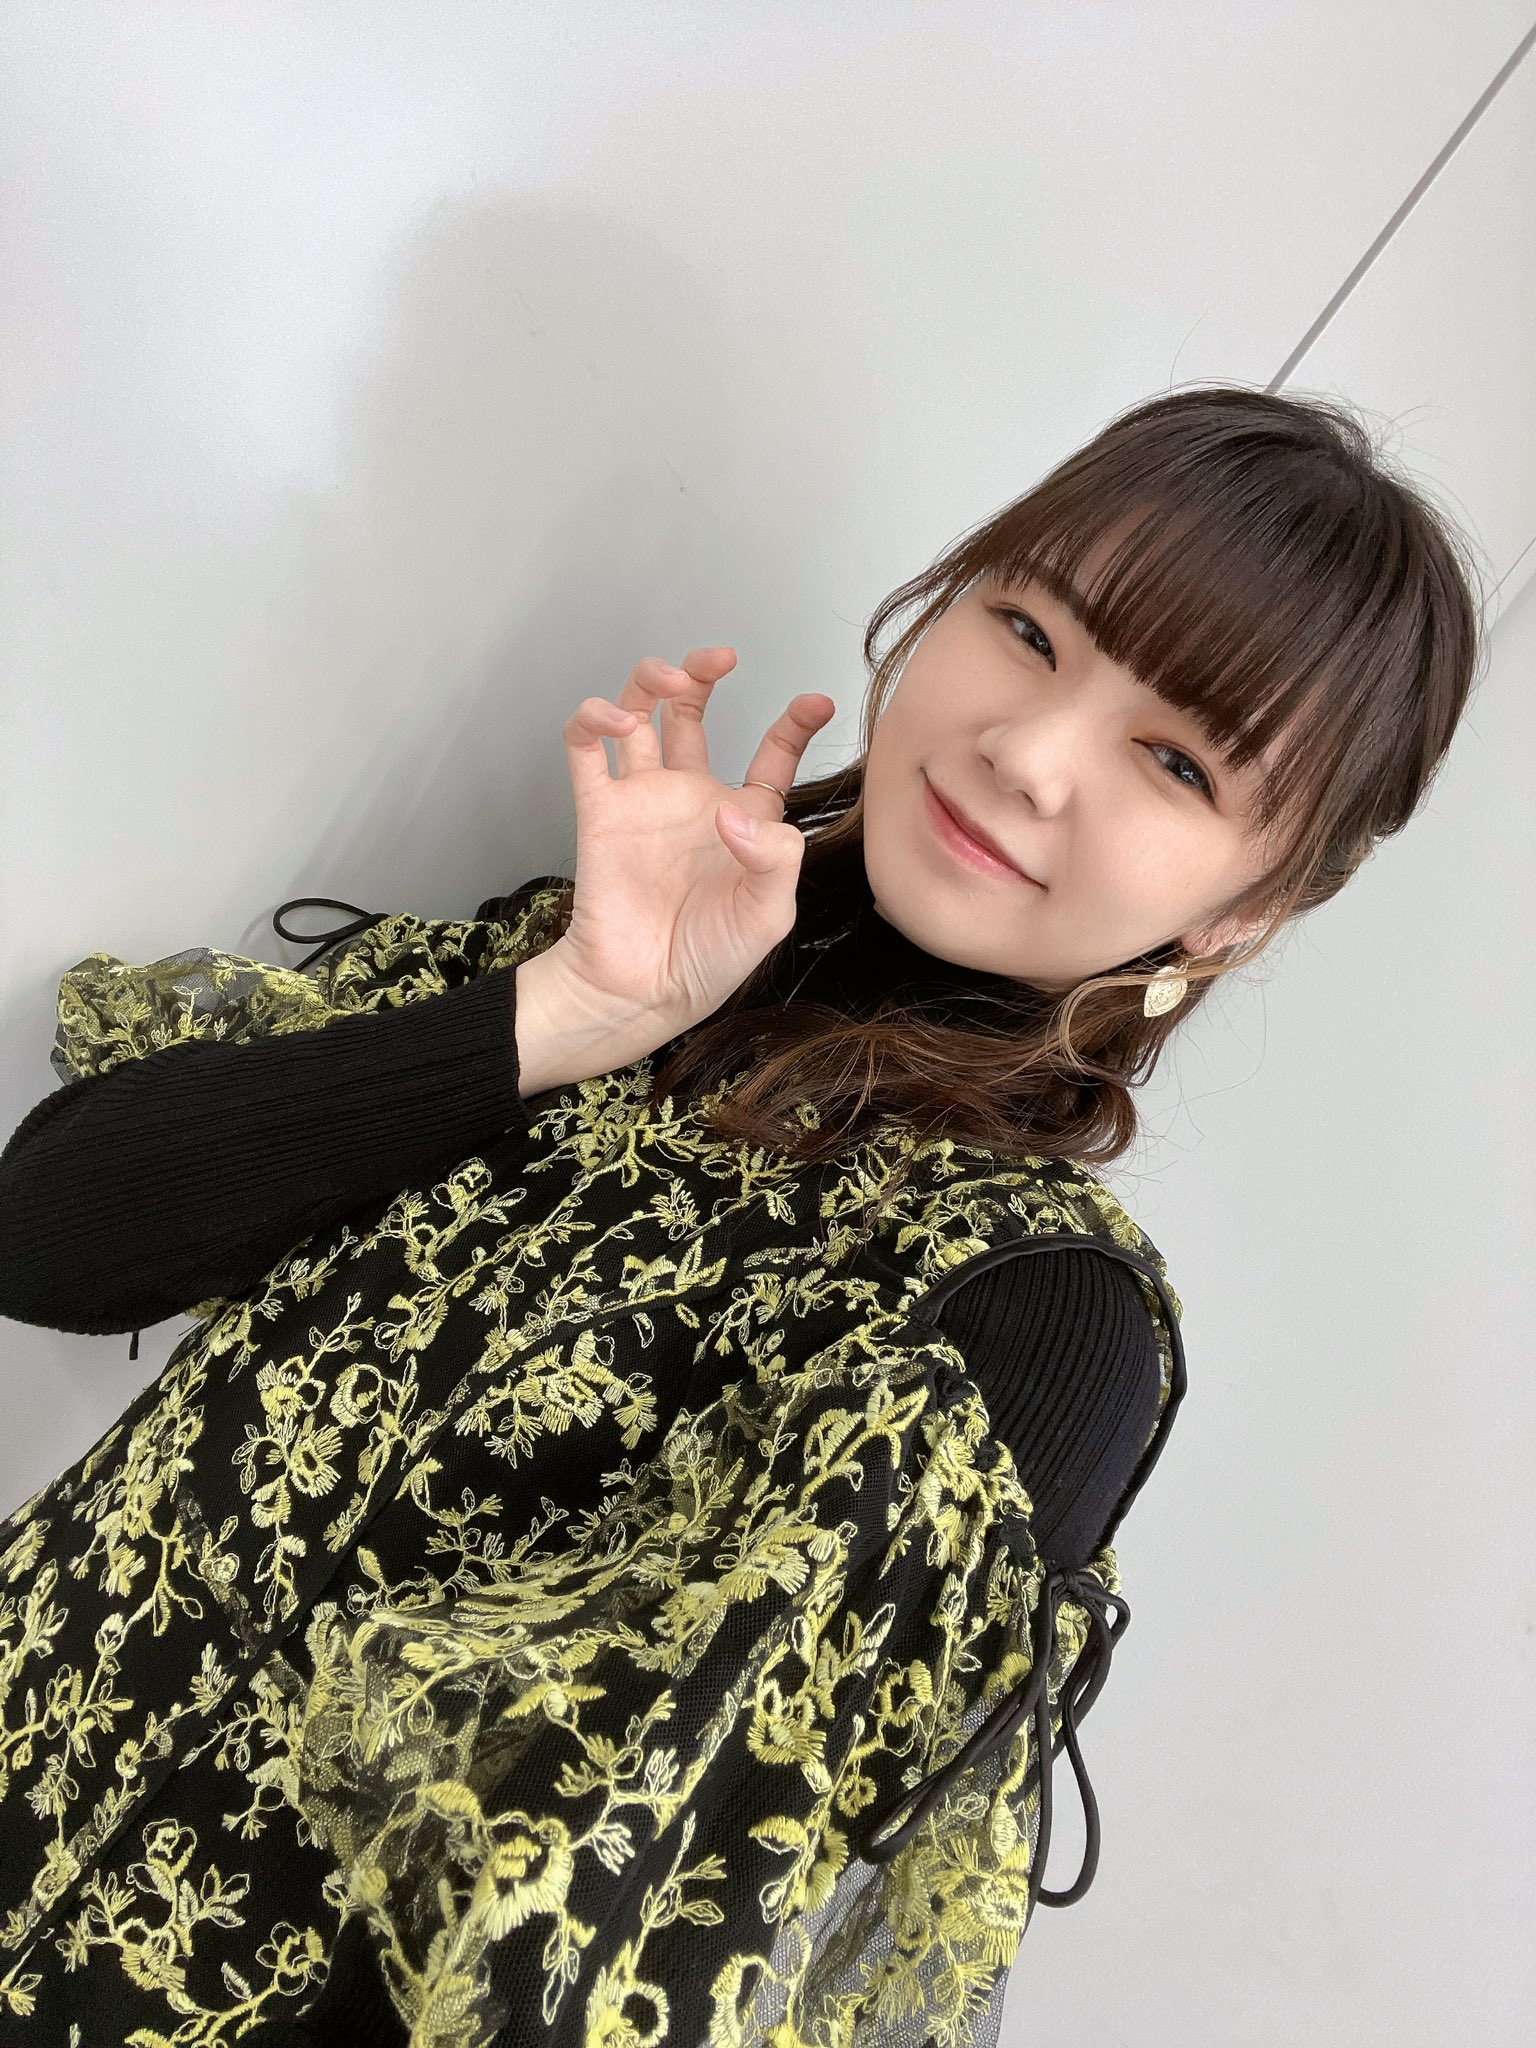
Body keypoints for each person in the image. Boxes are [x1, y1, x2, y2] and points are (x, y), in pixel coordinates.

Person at [0, 384, 1483, 2047]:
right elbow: (50, 1237)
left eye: (1177, 760)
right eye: (1029, 628)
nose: (1027, 752)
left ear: (1250, 908)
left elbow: (604, 1976)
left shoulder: (1022, 1320)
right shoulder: (627, 958)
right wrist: (567, 1011)